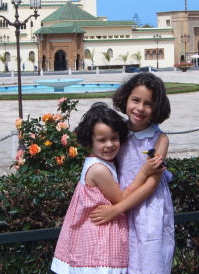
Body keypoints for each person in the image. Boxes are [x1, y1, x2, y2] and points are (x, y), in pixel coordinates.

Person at [51, 102, 164, 274]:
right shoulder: (99, 169)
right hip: (98, 242)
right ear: (90, 141)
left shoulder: (105, 162)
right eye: (102, 140)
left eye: (114, 138)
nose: (109, 145)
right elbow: (119, 198)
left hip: (97, 236)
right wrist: (143, 173)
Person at [90, 72, 174, 273]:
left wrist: (116, 209)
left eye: (149, 104)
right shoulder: (117, 132)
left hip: (148, 208)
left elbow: (152, 184)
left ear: (157, 108)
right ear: (126, 98)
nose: (140, 108)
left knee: (148, 260)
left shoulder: (159, 139)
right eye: (135, 100)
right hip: (118, 198)